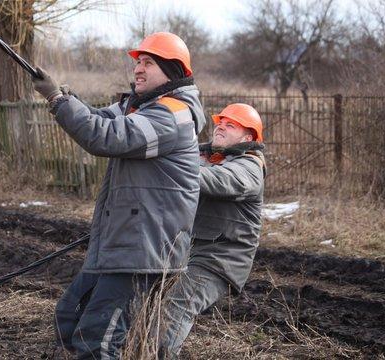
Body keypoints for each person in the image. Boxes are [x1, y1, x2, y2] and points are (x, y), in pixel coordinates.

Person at [31, 32, 206, 359]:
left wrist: (57, 99)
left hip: (144, 251)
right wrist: (69, 100)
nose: (138, 69)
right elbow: (99, 119)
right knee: (69, 319)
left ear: (172, 71)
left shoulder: (172, 115)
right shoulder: (141, 106)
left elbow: (106, 137)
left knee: (97, 340)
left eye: (148, 63)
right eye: (138, 62)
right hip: (121, 243)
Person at [159, 103, 266, 359]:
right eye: (220, 123)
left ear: (248, 138)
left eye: (231, 125)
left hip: (221, 259)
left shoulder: (249, 167)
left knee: (178, 304)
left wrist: (179, 167)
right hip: (192, 251)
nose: (221, 127)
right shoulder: (212, 157)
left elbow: (218, 180)